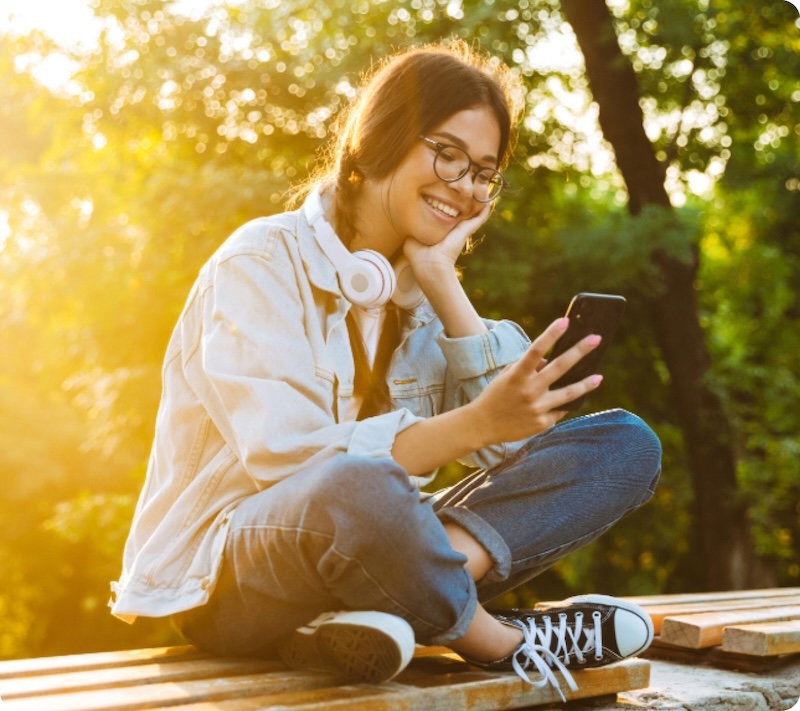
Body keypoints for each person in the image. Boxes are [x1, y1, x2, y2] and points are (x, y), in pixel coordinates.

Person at [110, 40, 662, 700]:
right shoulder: (257, 263)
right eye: (448, 153)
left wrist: (441, 281)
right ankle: (503, 640)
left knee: (627, 445)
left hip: (372, 556)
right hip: (229, 579)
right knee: (360, 483)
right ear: (380, 140)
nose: (464, 186)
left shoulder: (421, 296)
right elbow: (298, 463)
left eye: (483, 172)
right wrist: (468, 426)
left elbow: (519, 452)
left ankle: (375, 610)